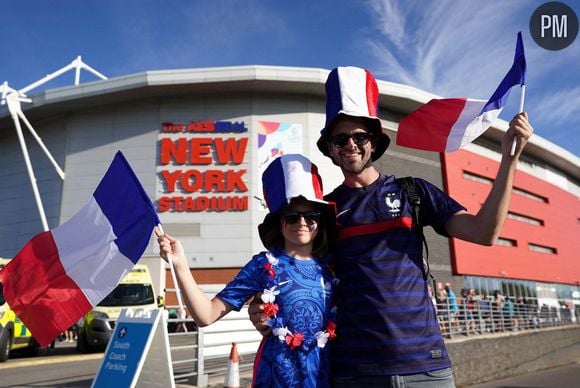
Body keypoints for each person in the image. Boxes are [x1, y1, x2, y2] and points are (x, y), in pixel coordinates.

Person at [250, 66, 534, 386]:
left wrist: (510, 158)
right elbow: (294, 278)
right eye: (341, 138)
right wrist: (262, 308)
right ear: (330, 147)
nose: (351, 144)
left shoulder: (414, 192)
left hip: (427, 368)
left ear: (374, 141)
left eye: (360, 136)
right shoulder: (322, 215)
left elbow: (485, 232)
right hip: (356, 373)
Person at [157, 154, 338, 388]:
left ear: (320, 221)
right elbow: (206, 314)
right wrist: (180, 263)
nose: (301, 222)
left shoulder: (332, 269)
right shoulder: (263, 265)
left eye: (310, 215)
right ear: (278, 222)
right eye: (292, 216)